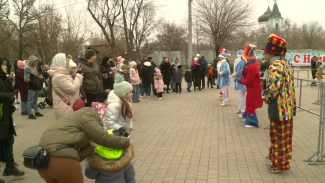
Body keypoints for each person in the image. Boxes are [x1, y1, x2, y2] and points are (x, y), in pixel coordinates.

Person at [37, 107, 130, 183]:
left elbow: (77, 155)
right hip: (62, 160)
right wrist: (125, 141)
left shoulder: (68, 122)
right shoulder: (88, 115)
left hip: (41, 161)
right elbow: (102, 137)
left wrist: (92, 147)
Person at [262, 34, 296, 173]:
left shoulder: (275, 66)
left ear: (271, 53)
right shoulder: (286, 64)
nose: (264, 54)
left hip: (279, 107)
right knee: (284, 136)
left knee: (278, 135)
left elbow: (273, 88)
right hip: (287, 107)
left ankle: (279, 164)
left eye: (266, 52)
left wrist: (266, 98)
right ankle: (277, 157)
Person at [0, 57, 25, 183]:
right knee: (5, 140)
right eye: (4, 65)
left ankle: (9, 165)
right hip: (1, 114)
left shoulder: (4, 78)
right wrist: (8, 97)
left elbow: (10, 90)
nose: (5, 67)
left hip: (5, 114)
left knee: (8, 139)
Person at [47, 53, 83, 120]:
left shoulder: (64, 74)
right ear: (61, 62)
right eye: (67, 60)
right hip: (65, 109)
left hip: (69, 107)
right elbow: (72, 89)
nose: (68, 62)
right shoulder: (58, 76)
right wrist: (78, 76)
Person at [236, 45, 262, 127]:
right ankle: (245, 114)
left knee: (250, 103)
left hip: (253, 88)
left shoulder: (251, 67)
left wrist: (240, 80)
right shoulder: (253, 64)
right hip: (254, 87)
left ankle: (253, 122)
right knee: (249, 102)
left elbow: (249, 81)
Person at [232, 49, 246, 118]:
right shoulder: (241, 61)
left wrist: (235, 74)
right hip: (240, 80)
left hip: (241, 80)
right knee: (240, 95)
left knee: (241, 96)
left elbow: (240, 72)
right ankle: (241, 109)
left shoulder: (241, 62)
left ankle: (243, 110)